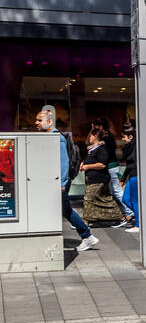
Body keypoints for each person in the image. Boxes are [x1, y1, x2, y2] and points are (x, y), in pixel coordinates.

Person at [36, 106, 97, 252]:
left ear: (49, 122)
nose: (36, 122)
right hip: (56, 182)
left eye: (39, 120)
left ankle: (87, 236)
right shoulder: (49, 137)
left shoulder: (57, 138)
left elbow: (63, 163)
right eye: (36, 120)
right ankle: (86, 236)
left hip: (60, 183)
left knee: (66, 211)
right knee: (64, 210)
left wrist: (62, 183)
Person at [94, 116, 133, 228]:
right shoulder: (107, 137)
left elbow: (107, 153)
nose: (94, 129)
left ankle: (129, 213)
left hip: (111, 166)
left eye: (96, 126)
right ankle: (126, 213)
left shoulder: (107, 138)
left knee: (116, 191)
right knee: (113, 190)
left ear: (101, 126)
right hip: (111, 166)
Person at [80, 125, 122, 223]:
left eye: (91, 136)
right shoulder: (92, 149)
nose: (89, 137)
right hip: (92, 178)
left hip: (99, 179)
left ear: (96, 136)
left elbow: (102, 164)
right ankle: (120, 217)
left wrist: (88, 167)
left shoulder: (102, 149)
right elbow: (90, 160)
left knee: (88, 199)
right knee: (105, 199)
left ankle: (85, 221)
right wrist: (83, 163)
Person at [120, 123, 139, 233]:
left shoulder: (136, 147)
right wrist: (123, 178)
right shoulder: (129, 147)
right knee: (125, 199)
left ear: (131, 137)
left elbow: (135, 163)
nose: (122, 139)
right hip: (131, 175)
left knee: (134, 200)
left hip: (136, 176)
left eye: (124, 137)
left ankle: (138, 224)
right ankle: (142, 216)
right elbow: (128, 165)